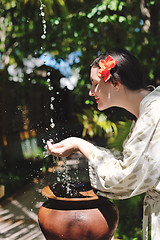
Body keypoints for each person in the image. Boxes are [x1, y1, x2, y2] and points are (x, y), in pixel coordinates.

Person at [46, 48, 160, 240]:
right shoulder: (148, 110)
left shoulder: (154, 111)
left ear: (115, 83)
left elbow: (124, 177)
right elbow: (130, 164)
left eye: (95, 84)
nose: (91, 92)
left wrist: (80, 144)